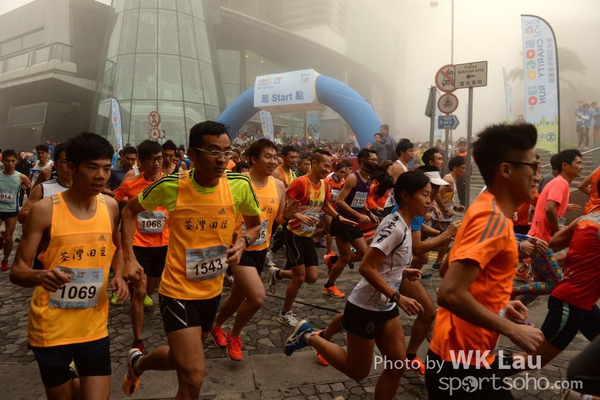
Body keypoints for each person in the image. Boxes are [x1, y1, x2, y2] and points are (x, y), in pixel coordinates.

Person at [120, 121, 261, 398]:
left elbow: (254, 225)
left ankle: (138, 363)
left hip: (212, 291)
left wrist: (243, 242)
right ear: (193, 155)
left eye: (227, 152)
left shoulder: (239, 185)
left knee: (180, 359)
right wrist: (129, 257)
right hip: (177, 291)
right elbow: (128, 211)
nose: (222, 159)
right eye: (213, 152)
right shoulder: (171, 186)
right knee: (193, 376)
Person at [283, 170, 429, 400]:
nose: (430, 201)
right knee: (358, 371)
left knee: (397, 366)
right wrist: (397, 296)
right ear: (406, 196)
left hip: (385, 307)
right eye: (425, 195)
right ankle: (309, 336)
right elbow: (366, 267)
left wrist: (402, 271)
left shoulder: (404, 224)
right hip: (365, 308)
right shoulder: (396, 226)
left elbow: (383, 262)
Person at [426, 123, 545, 399]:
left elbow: (448, 270)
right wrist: (512, 330)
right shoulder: (492, 219)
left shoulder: (484, 209)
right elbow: (449, 292)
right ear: (505, 170)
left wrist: (498, 304)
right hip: (460, 364)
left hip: (461, 357)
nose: (538, 177)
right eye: (533, 167)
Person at [10, 133, 129, 400]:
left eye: (106, 168)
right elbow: (17, 271)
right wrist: (41, 275)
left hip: (94, 327)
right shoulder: (45, 211)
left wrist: (120, 275)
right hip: (50, 329)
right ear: (72, 168)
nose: (101, 175)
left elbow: (118, 248)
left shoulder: (110, 207)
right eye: (92, 167)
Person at [209, 139, 298, 361]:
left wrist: (287, 215)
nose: (273, 161)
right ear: (253, 159)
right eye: (267, 156)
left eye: (275, 156)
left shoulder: (278, 186)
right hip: (238, 249)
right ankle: (235, 335)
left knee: (237, 296)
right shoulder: (238, 182)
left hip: (261, 249)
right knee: (257, 297)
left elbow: (277, 219)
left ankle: (215, 325)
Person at [268, 149, 357, 327]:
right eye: (325, 165)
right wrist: (299, 216)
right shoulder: (300, 182)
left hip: (308, 235)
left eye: (329, 166)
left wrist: (339, 217)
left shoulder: (325, 184)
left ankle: (278, 273)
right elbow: (285, 204)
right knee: (300, 277)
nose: (327, 169)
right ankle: (285, 313)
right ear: (314, 163)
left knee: (312, 277)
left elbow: (325, 206)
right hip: (293, 233)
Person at [512, 207, 600, 373]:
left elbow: (556, 241)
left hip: (582, 302)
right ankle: (481, 371)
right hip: (571, 303)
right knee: (533, 360)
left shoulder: (586, 219)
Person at [113, 140, 168, 352]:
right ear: (141, 162)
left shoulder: (170, 184)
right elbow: (115, 198)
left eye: (159, 158)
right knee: (140, 290)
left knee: (150, 289)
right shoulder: (131, 184)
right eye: (152, 159)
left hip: (163, 244)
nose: (157, 163)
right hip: (138, 244)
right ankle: (138, 339)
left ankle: (139, 289)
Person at [324, 149, 380, 299]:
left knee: (362, 254)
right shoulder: (352, 178)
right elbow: (339, 201)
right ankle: (329, 285)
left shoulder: (367, 179)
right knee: (346, 258)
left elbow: (359, 200)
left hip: (353, 222)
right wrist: (358, 215)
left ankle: (333, 260)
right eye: (373, 160)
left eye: (376, 160)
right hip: (343, 221)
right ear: (363, 161)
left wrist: (369, 213)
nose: (376, 162)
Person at [18, 144, 72, 270]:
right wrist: (51, 214)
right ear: (56, 164)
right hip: (47, 248)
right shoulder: (43, 189)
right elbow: (23, 215)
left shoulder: (87, 191)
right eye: (65, 161)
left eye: (75, 161)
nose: (70, 166)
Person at [528, 149, 583, 242]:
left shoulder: (561, 182)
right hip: (540, 240)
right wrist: (558, 230)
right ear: (565, 165)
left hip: (541, 239)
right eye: (578, 163)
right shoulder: (560, 182)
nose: (581, 167)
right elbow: (549, 209)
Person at [431, 156, 466, 270]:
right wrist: (446, 210)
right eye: (462, 168)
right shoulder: (449, 179)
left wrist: (455, 207)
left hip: (445, 216)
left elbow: (446, 198)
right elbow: (437, 194)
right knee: (444, 239)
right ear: (455, 168)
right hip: (440, 216)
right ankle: (437, 262)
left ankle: (438, 262)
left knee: (445, 240)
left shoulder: (453, 180)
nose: (464, 171)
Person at [0, 150, 32, 271]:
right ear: (3, 161)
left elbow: (32, 189)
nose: (10, 163)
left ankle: (5, 260)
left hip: (12, 210)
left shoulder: (21, 177)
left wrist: (30, 204)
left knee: (9, 238)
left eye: (13, 161)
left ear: (16, 161)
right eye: (7, 161)